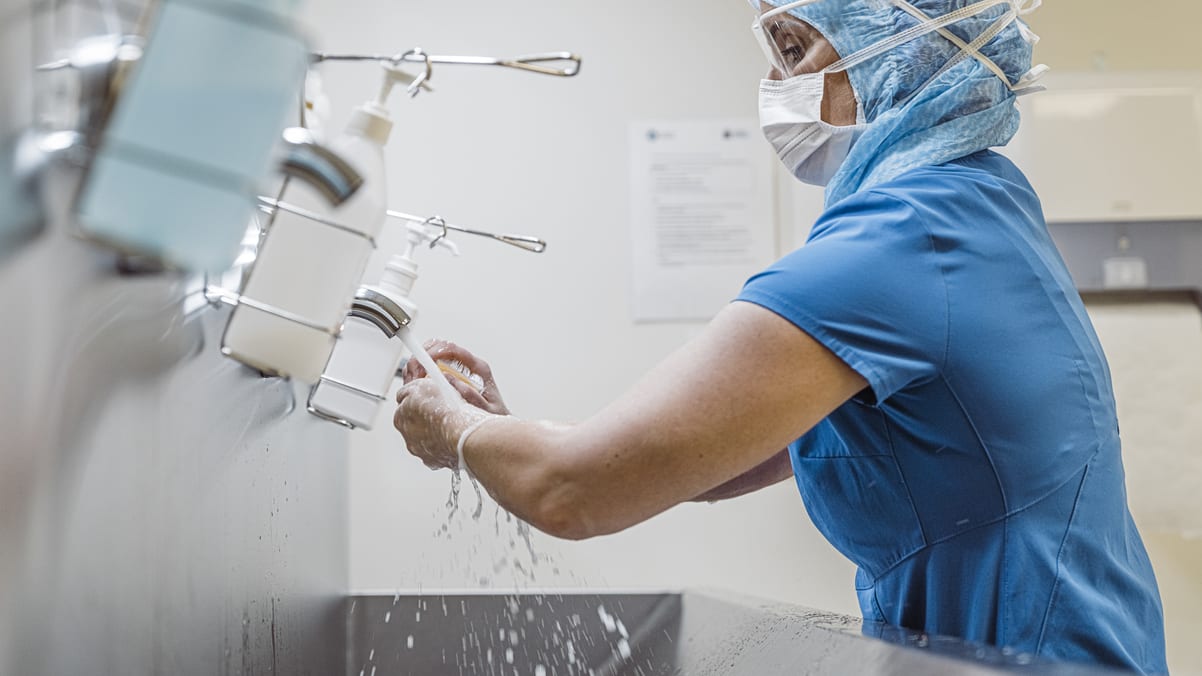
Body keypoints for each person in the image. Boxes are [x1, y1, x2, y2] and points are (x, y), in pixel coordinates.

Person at [392, 0, 1169, 672]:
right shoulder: (979, 201)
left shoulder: (896, 247)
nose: (772, 86)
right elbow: (690, 457)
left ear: (895, 46)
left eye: (794, 49)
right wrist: (502, 431)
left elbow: (576, 491)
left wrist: (454, 430)